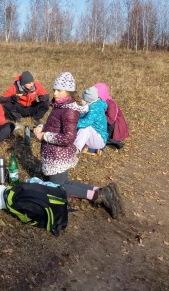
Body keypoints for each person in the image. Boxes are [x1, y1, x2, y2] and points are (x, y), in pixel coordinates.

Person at [33, 72, 124, 219]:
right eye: (54, 89)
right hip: (54, 153)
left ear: (68, 92)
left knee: (59, 188)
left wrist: (45, 135)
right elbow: (56, 126)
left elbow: (68, 138)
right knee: (64, 182)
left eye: (59, 90)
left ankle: (98, 196)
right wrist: (42, 127)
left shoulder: (69, 109)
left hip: (58, 155)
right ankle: (103, 190)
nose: (55, 93)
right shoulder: (59, 105)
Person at [94, 83, 130, 149]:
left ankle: (112, 141)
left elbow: (111, 120)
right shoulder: (97, 102)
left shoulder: (111, 104)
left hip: (115, 127)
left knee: (99, 138)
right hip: (103, 123)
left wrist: (98, 115)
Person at [74, 86, 108, 155]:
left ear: (87, 99)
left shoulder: (95, 109)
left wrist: (71, 123)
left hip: (99, 140)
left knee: (85, 127)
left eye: (83, 98)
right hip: (93, 136)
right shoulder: (93, 105)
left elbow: (85, 122)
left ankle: (76, 148)